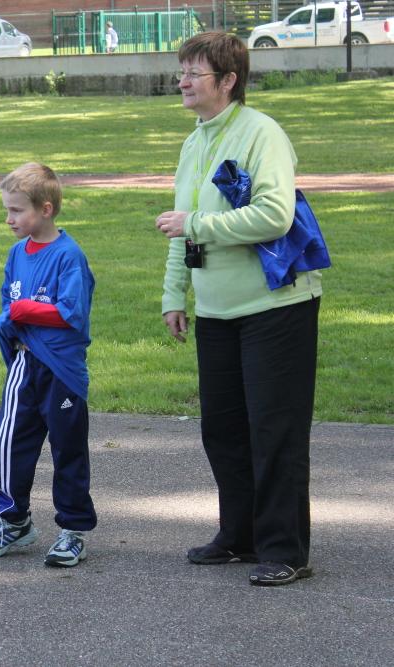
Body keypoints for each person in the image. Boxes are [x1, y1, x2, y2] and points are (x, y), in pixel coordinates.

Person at [155, 32, 321, 587]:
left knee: (274, 428)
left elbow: (274, 215)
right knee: (223, 429)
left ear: (228, 81)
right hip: (218, 310)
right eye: (181, 69)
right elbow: (182, 227)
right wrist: (174, 296)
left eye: (193, 72)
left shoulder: (261, 133)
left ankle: (285, 548)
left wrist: (197, 225)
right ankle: (241, 534)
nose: (181, 80)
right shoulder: (194, 140)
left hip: (276, 306)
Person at [0, 163, 97, 568]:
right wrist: (11, 319)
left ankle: (73, 529)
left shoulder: (68, 255)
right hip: (25, 365)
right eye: (7, 210)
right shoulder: (16, 253)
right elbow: (7, 305)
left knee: (68, 450)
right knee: (9, 444)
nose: (9, 219)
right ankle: (14, 520)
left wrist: (26, 309)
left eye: (17, 211)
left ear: (45, 209)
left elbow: (71, 312)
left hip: (62, 371)